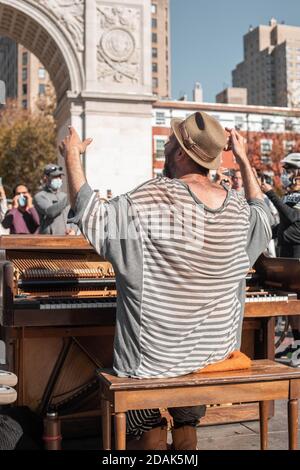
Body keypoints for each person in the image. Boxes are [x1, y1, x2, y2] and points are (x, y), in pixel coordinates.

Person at [60, 114, 272, 450]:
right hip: (213, 357)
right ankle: (185, 434)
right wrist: (245, 161)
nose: (165, 146)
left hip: (154, 363)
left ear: (181, 154)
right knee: (186, 393)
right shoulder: (238, 210)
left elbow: (91, 216)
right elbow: (264, 214)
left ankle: (148, 434)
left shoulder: (152, 199)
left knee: (140, 397)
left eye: (169, 141)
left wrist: (71, 155)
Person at [261, 153, 300, 358]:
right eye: (284, 171)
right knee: (291, 305)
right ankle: (297, 342)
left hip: (298, 256)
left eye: (289, 170)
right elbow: (282, 224)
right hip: (285, 255)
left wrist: (271, 195)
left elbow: (292, 216)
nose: (285, 175)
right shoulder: (288, 195)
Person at [33, 164, 74, 235]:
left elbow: (73, 216)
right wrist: (69, 198)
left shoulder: (64, 196)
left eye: (60, 176)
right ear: (46, 177)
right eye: (55, 177)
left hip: (68, 239)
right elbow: (50, 212)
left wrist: (73, 229)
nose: (58, 179)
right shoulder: (40, 196)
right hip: (50, 240)